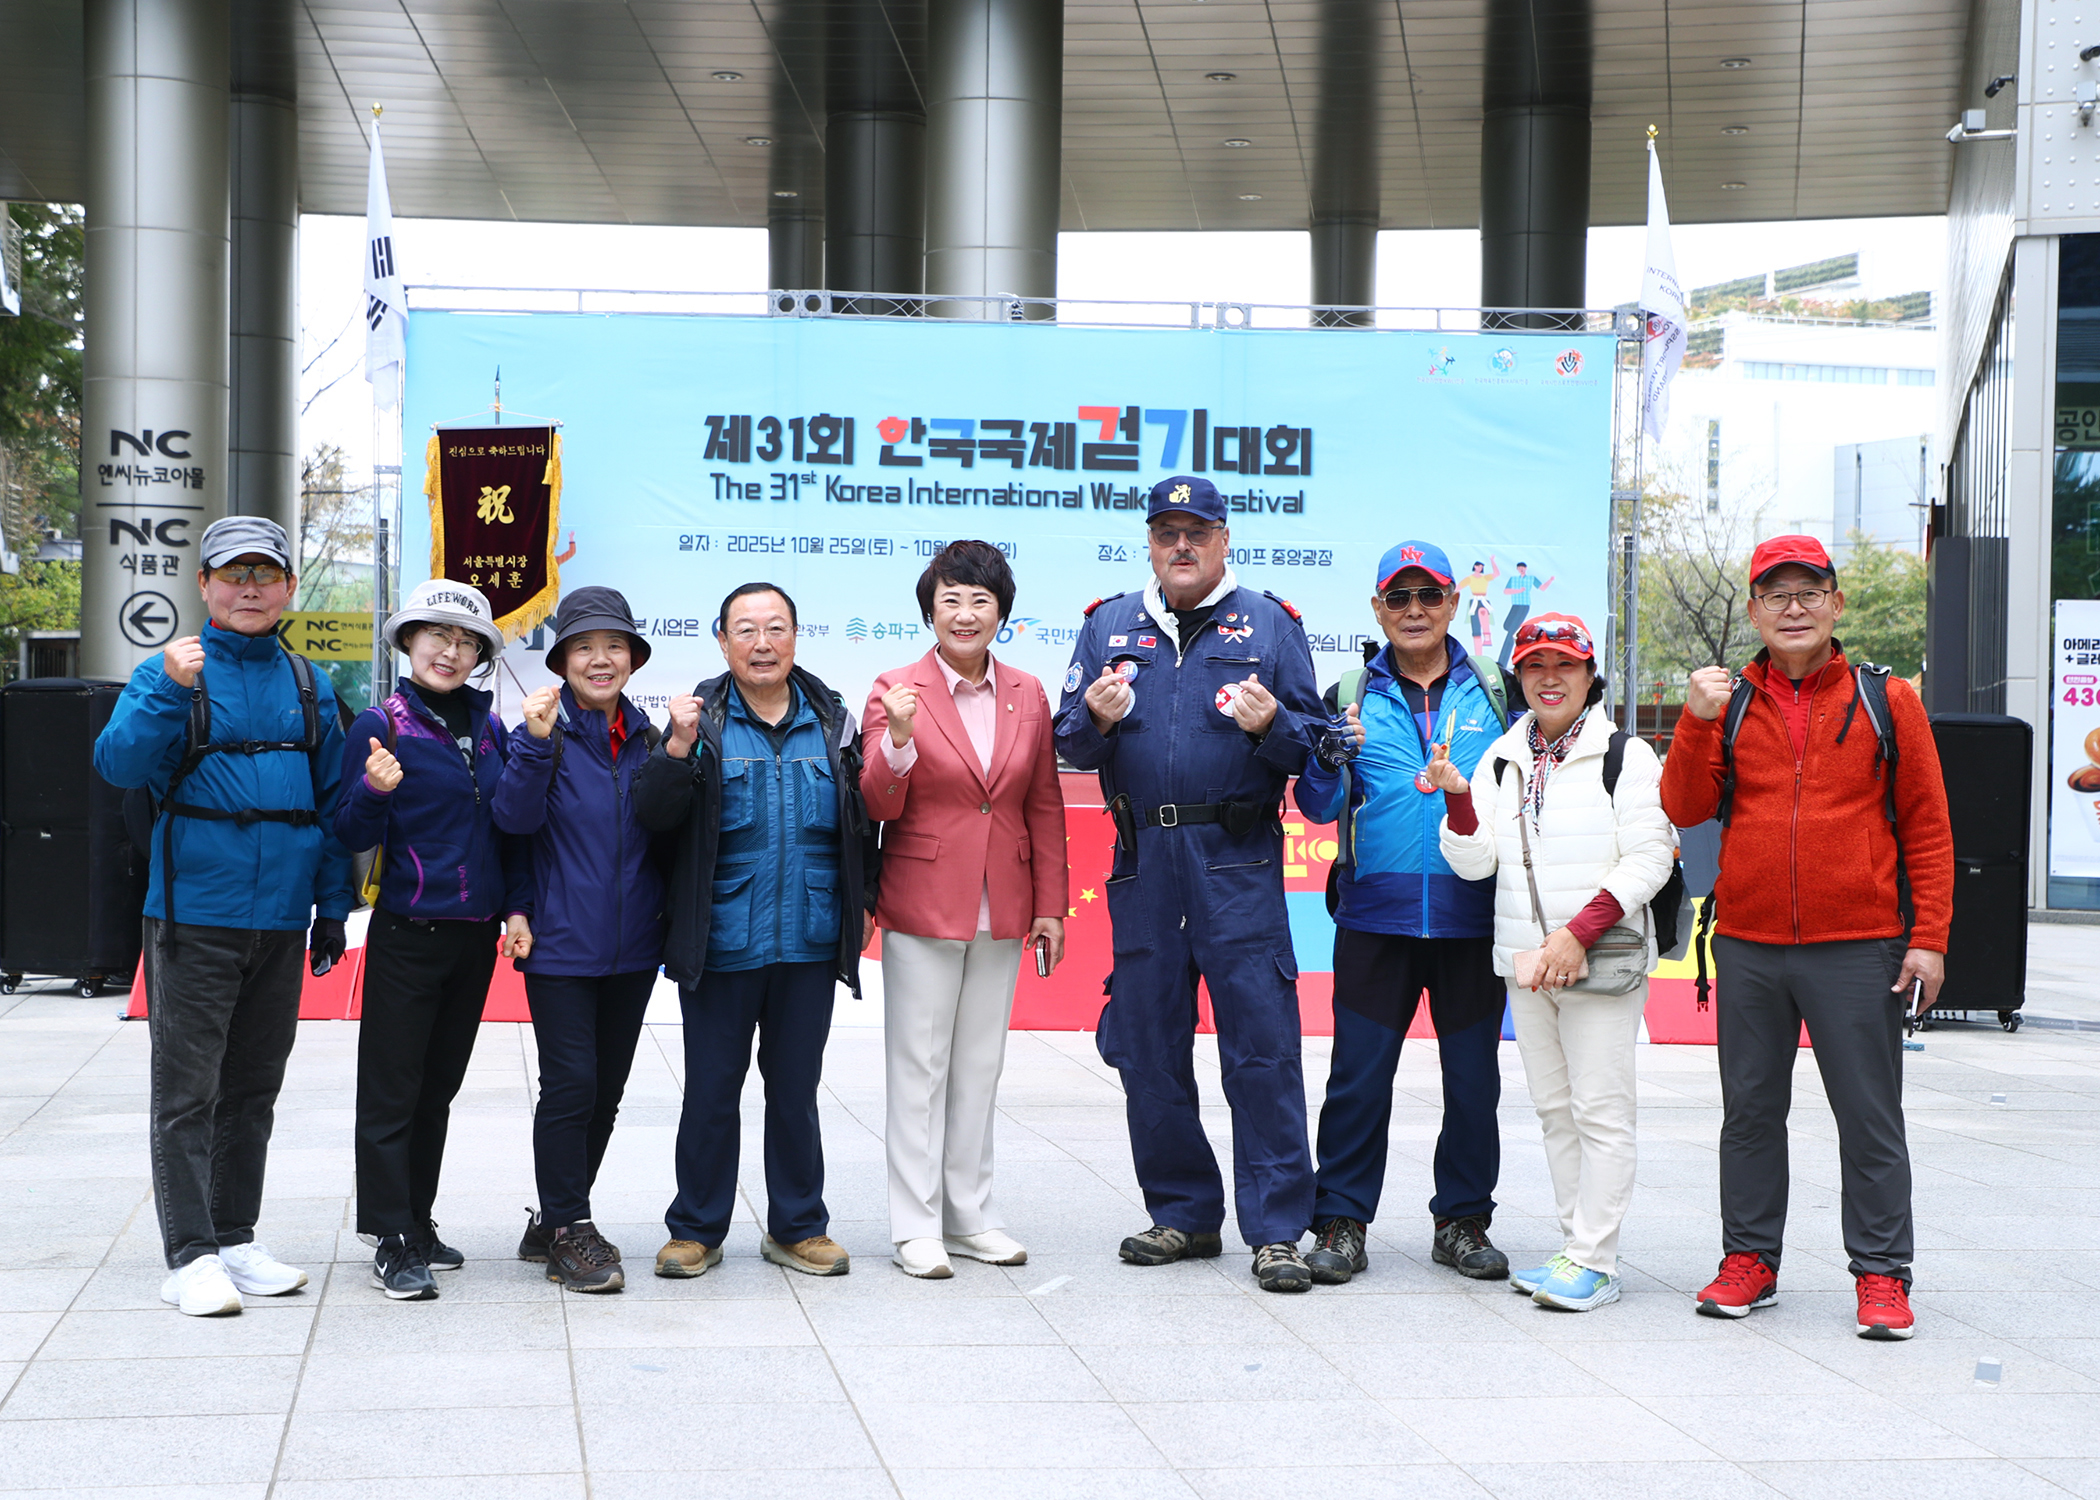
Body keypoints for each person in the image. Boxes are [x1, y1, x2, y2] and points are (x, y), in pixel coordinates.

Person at [1659, 535, 1954, 1340]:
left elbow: (1929, 826)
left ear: (1836, 603)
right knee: (1750, 1113)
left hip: (1860, 944)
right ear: (1755, 611)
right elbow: (1685, 808)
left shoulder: (1888, 699)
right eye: (1776, 595)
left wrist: (1928, 937)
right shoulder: (1730, 703)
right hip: (1749, 942)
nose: (1794, 608)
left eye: (1809, 592)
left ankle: (1883, 1274)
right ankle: (1749, 1260)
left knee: (1869, 1116)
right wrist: (1694, 720)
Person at [1053, 475, 1329, 1293]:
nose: (1181, 546)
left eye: (1197, 532)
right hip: (1144, 864)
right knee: (1148, 1047)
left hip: (1236, 862)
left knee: (1262, 1049)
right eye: (1167, 532)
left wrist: (1272, 725)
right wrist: (1097, 719)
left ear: (1223, 540)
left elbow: (1314, 749)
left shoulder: (1272, 626)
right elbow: (1069, 740)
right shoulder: (1107, 625)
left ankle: (1276, 1230)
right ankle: (1183, 1212)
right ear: (1149, 542)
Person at [93, 516, 353, 1317]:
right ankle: (190, 1255)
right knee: (187, 1093)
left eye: (264, 574)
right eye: (233, 574)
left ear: (288, 588)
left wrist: (332, 909)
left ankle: (235, 1238)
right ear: (204, 584)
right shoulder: (167, 672)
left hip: (279, 920)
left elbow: (333, 807)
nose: (249, 588)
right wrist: (170, 689)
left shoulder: (309, 683)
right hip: (193, 918)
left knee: (254, 1088)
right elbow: (118, 764)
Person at [1431, 612, 1675, 1311]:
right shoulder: (1502, 756)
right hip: (1528, 963)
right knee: (1556, 1112)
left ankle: (1596, 1259)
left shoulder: (1626, 755)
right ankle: (1576, 1248)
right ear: (1518, 676)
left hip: (1600, 957)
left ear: (1590, 675)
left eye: (1565, 664)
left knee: (1601, 1111)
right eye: (1535, 665)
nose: (1550, 677)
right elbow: (1476, 864)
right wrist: (1458, 799)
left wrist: (1578, 934)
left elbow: (1651, 857)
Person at [635, 582, 879, 1279]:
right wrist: (676, 748)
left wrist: (863, 899)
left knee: (796, 1091)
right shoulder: (698, 723)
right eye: (745, 630)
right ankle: (696, 1229)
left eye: (776, 628)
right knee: (711, 1091)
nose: (762, 643)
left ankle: (798, 1227)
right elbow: (653, 818)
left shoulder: (834, 721)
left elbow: (864, 823)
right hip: (722, 938)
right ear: (722, 642)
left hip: (809, 935)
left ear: (796, 637)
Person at [1294, 540, 1516, 1287]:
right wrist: (1326, 757)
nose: (1414, 610)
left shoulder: (1498, 692)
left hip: (1471, 917)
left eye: (1428, 596)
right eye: (1399, 597)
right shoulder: (1347, 693)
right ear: (1377, 608)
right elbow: (1316, 806)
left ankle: (1463, 1221)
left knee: (1473, 1081)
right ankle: (1341, 1221)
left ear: (1453, 603)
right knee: (1357, 1080)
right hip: (1374, 918)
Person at [860, 541, 1069, 1279]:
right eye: (950, 599)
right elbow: (876, 801)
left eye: (980, 600)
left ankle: (970, 1215)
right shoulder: (896, 688)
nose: (965, 613)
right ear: (930, 612)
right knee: (919, 1068)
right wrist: (898, 738)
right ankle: (915, 1225)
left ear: (1002, 613)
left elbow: (1043, 802)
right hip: (923, 901)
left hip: (1004, 903)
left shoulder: (1028, 693)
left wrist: (1051, 905)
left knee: (979, 1067)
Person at [334, 579, 529, 1301]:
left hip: (474, 937)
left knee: (437, 1088)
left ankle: (417, 1219)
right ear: (408, 642)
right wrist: (373, 790)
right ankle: (388, 1236)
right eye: (437, 635)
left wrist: (516, 908)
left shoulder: (491, 725)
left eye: (466, 641)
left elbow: (509, 831)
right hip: (408, 932)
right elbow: (346, 831)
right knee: (392, 1089)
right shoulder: (379, 723)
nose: (451, 651)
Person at [493, 586, 667, 1294]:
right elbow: (511, 822)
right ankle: (571, 1229)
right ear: (562, 660)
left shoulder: (650, 739)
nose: (601, 660)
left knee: (607, 1092)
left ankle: (553, 1220)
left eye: (614, 646)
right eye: (585, 647)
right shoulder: (540, 733)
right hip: (560, 942)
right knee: (571, 1085)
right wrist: (535, 746)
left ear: (632, 659)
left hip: (634, 948)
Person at [1497, 561, 1556, 671]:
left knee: (1511, 633)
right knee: (1507, 626)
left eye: (1523, 568)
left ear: (1526, 568)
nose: (1521, 569)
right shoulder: (1513, 579)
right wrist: (1518, 590)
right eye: (1520, 568)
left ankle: (1502, 662)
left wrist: (1550, 580)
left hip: (1524, 606)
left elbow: (1542, 588)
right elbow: (1506, 591)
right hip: (1515, 605)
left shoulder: (1531, 579)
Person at [1461, 557, 1501, 656]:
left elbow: (1496, 574)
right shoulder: (1470, 578)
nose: (1480, 568)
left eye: (1481, 567)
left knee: (1483, 613)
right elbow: (1458, 587)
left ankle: (1487, 637)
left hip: (1484, 600)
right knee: (1476, 629)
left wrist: (1492, 561)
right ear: (1475, 566)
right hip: (1474, 601)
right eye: (1478, 566)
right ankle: (1478, 654)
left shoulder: (1485, 577)